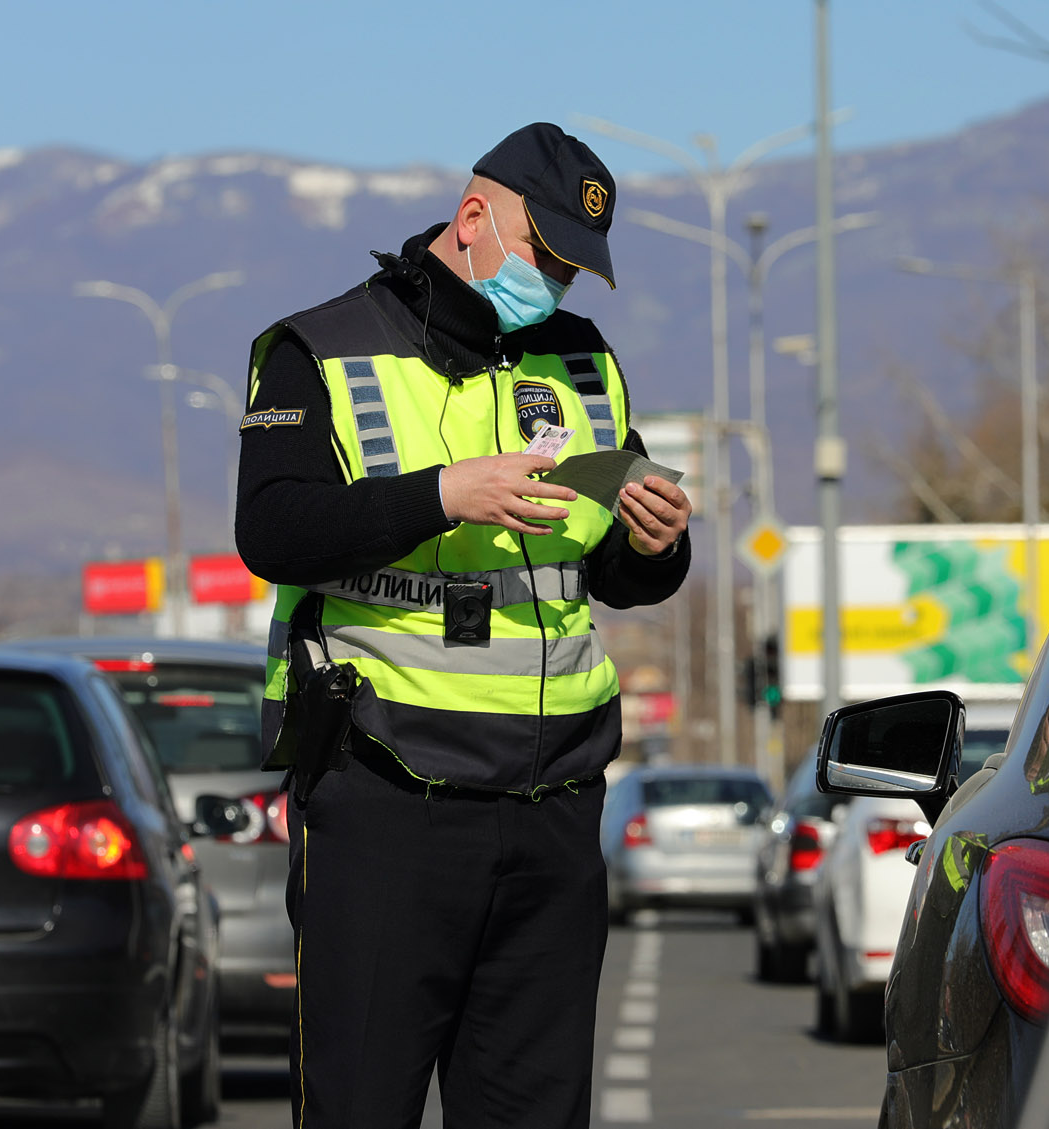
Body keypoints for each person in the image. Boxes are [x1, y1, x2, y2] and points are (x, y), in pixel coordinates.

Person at [235, 122, 692, 1129]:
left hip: (554, 803)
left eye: (574, 271)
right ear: (474, 219)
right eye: (547, 258)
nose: (557, 287)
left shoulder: (580, 361)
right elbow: (272, 531)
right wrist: (438, 495)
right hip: (387, 798)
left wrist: (657, 544)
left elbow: (605, 567)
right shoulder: (323, 347)